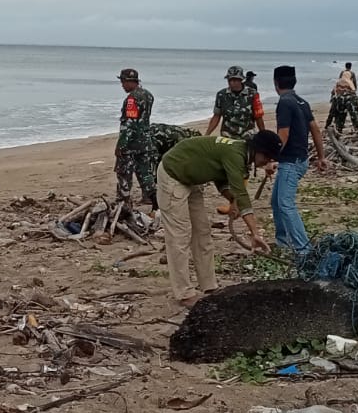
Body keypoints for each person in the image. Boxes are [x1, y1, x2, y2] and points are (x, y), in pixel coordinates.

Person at [157, 132, 281, 305]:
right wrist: (254, 232)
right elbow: (242, 195)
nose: (266, 163)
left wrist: (231, 199)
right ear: (256, 150)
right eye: (266, 157)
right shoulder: (235, 155)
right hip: (173, 174)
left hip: (191, 180)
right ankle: (184, 293)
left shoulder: (241, 156)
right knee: (179, 236)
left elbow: (221, 180)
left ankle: (208, 285)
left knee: (202, 232)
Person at [270, 65, 327, 257]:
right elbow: (316, 130)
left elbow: (283, 135)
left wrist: (272, 158)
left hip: (291, 162)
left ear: (276, 83)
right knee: (276, 202)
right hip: (300, 160)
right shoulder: (301, 102)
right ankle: (282, 241)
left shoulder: (285, 103)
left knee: (286, 204)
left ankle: (304, 250)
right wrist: (321, 157)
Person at [114, 68, 157, 209]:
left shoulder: (132, 99)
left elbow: (130, 123)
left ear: (129, 81)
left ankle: (123, 202)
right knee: (145, 173)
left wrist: (121, 145)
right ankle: (154, 200)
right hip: (145, 142)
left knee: (123, 172)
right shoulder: (148, 95)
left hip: (131, 144)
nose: (122, 85)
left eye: (123, 82)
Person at [206, 66, 267, 139]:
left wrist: (264, 135)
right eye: (229, 80)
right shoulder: (221, 95)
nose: (232, 83)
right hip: (227, 136)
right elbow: (216, 116)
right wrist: (207, 134)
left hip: (248, 136)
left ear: (241, 80)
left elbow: (258, 117)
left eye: (235, 80)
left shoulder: (252, 94)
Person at [328, 65, 358, 135]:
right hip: (349, 99)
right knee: (354, 113)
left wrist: (333, 96)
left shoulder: (339, 79)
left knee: (339, 114)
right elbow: (354, 86)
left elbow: (334, 91)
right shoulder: (351, 75)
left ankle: (337, 128)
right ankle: (356, 127)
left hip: (338, 98)